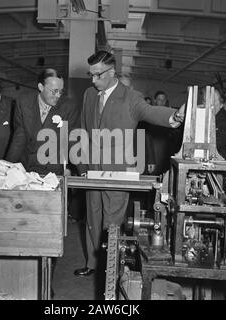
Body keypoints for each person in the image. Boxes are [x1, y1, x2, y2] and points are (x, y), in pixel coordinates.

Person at [74, 50, 185, 279]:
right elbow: (84, 129)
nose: (93, 80)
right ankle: (93, 263)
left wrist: (174, 116)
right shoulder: (89, 94)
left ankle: (110, 268)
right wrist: (82, 166)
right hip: (92, 169)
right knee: (93, 219)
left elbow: (151, 111)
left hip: (117, 172)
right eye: (91, 75)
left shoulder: (130, 97)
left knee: (112, 223)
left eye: (98, 75)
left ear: (112, 72)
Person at [6, 68, 79, 175]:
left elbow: (71, 141)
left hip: (54, 171)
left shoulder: (69, 107)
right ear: (41, 87)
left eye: (61, 91)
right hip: (27, 168)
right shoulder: (23, 103)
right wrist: (7, 166)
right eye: (54, 91)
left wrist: (71, 169)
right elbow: (19, 138)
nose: (58, 95)